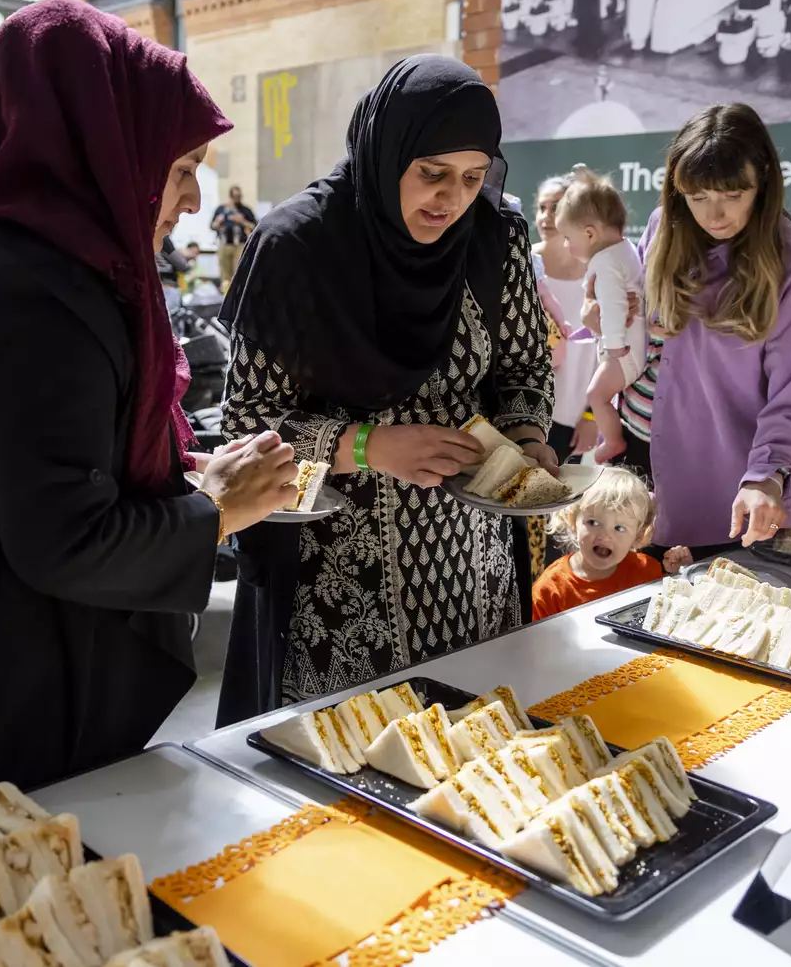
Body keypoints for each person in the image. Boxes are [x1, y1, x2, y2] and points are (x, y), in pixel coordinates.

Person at [0, 0, 299, 840]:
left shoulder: (0, 253)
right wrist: (219, 507)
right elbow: (61, 537)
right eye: (180, 168)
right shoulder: (37, 295)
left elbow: (32, 467)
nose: (187, 201)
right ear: (107, 145)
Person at [218, 55, 556, 721]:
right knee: (358, 766)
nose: (451, 198)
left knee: (472, 760)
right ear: (387, 152)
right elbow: (245, 428)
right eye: (430, 173)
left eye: (471, 177)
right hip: (339, 580)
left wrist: (526, 439)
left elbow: (521, 369)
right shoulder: (300, 247)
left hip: (473, 567)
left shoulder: (493, 238)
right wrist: (367, 444)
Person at [617, 103, 791, 551]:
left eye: (732, 195)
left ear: (765, 181)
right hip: (639, 459)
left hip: (735, 491)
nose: (714, 214)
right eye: (698, 197)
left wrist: (766, 476)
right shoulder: (664, 227)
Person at [554, 165, 643, 461]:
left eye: (568, 237)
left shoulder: (604, 262)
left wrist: (615, 346)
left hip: (625, 353)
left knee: (596, 395)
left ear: (590, 233)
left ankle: (613, 441)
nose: (566, 245)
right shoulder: (624, 250)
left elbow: (616, 307)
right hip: (628, 350)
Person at [533, 467, 690, 620]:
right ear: (573, 520)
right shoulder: (550, 589)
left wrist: (679, 575)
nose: (605, 536)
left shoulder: (646, 572)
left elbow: (667, 618)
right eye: (594, 522)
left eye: (619, 528)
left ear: (638, 535)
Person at [531, 172, 599, 461]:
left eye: (556, 207)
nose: (547, 217)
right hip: (527, 414)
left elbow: (609, 354)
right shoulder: (523, 263)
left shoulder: (597, 272)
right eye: (542, 208)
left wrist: (592, 416)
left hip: (575, 418)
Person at [209, 185, 255, 288]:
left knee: (238, 272)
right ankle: (225, 294)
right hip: (224, 244)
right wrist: (218, 221)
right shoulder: (221, 209)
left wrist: (242, 221)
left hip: (239, 245)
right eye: (234, 196)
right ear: (230, 196)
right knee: (225, 274)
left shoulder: (245, 210)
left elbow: (254, 226)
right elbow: (212, 226)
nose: (236, 198)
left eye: (238, 196)